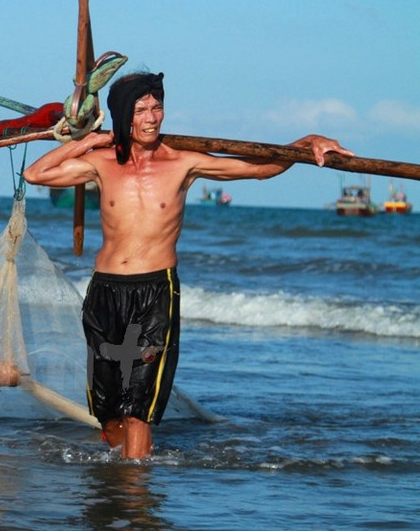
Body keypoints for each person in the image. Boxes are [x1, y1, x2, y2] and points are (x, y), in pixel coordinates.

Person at [22, 71, 353, 459]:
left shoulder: (183, 164)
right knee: (110, 413)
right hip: (105, 291)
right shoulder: (101, 162)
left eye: (156, 108)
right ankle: (117, 486)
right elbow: (34, 174)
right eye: (141, 109)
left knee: (139, 409)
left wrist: (305, 143)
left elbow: (259, 168)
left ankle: (136, 502)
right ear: (123, 115)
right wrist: (86, 142)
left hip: (154, 292)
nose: (151, 118)